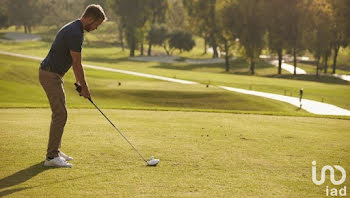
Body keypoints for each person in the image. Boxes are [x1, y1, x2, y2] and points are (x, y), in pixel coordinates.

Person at [39, 4, 107, 168]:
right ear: (90, 19)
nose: (96, 28)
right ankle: (51, 157)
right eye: (96, 24)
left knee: (60, 113)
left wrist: (79, 83)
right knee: (60, 114)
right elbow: (77, 64)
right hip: (50, 74)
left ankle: (55, 150)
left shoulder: (75, 28)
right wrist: (85, 87)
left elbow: (70, 61)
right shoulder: (75, 33)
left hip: (52, 74)